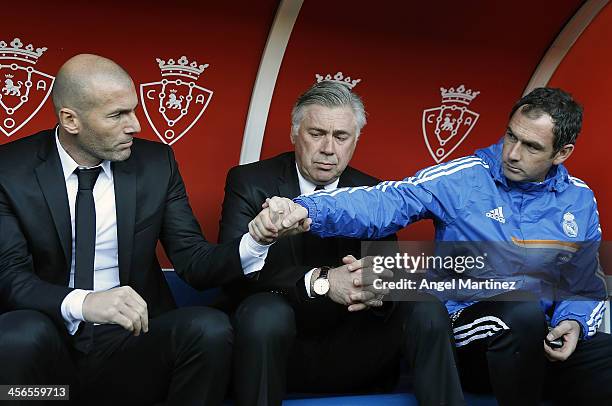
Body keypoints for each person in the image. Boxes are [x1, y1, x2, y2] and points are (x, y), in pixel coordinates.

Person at [265, 87, 612, 404]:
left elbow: (584, 281)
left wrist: (575, 322)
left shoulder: (579, 200)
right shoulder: (465, 178)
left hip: (539, 340)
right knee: (520, 313)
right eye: (510, 136)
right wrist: (307, 208)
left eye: (532, 146)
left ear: (562, 153)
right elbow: (388, 201)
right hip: (472, 337)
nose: (513, 153)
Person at [0, 54, 300, 405]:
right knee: (16, 335)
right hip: (49, 372)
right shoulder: (9, 170)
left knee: (208, 328)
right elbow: (10, 277)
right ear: (70, 120)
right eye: (117, 115)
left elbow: (194, 261)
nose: (136, 125)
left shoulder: (156, 163)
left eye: (133, 110)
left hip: (131, 348)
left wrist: (256, 240)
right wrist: (86, 303)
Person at [219, 81, 465, 406]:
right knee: (264, 312)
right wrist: (321, 280)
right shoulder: (249, 181)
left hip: (356, 341)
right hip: (282, 343)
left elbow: (386, 274)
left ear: (356, 140)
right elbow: (235, 273)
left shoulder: (372, 191)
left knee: (426, 306)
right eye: (317, 133)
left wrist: (377, 287)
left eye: (341, 137)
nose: (328, 149)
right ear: (295, 132)